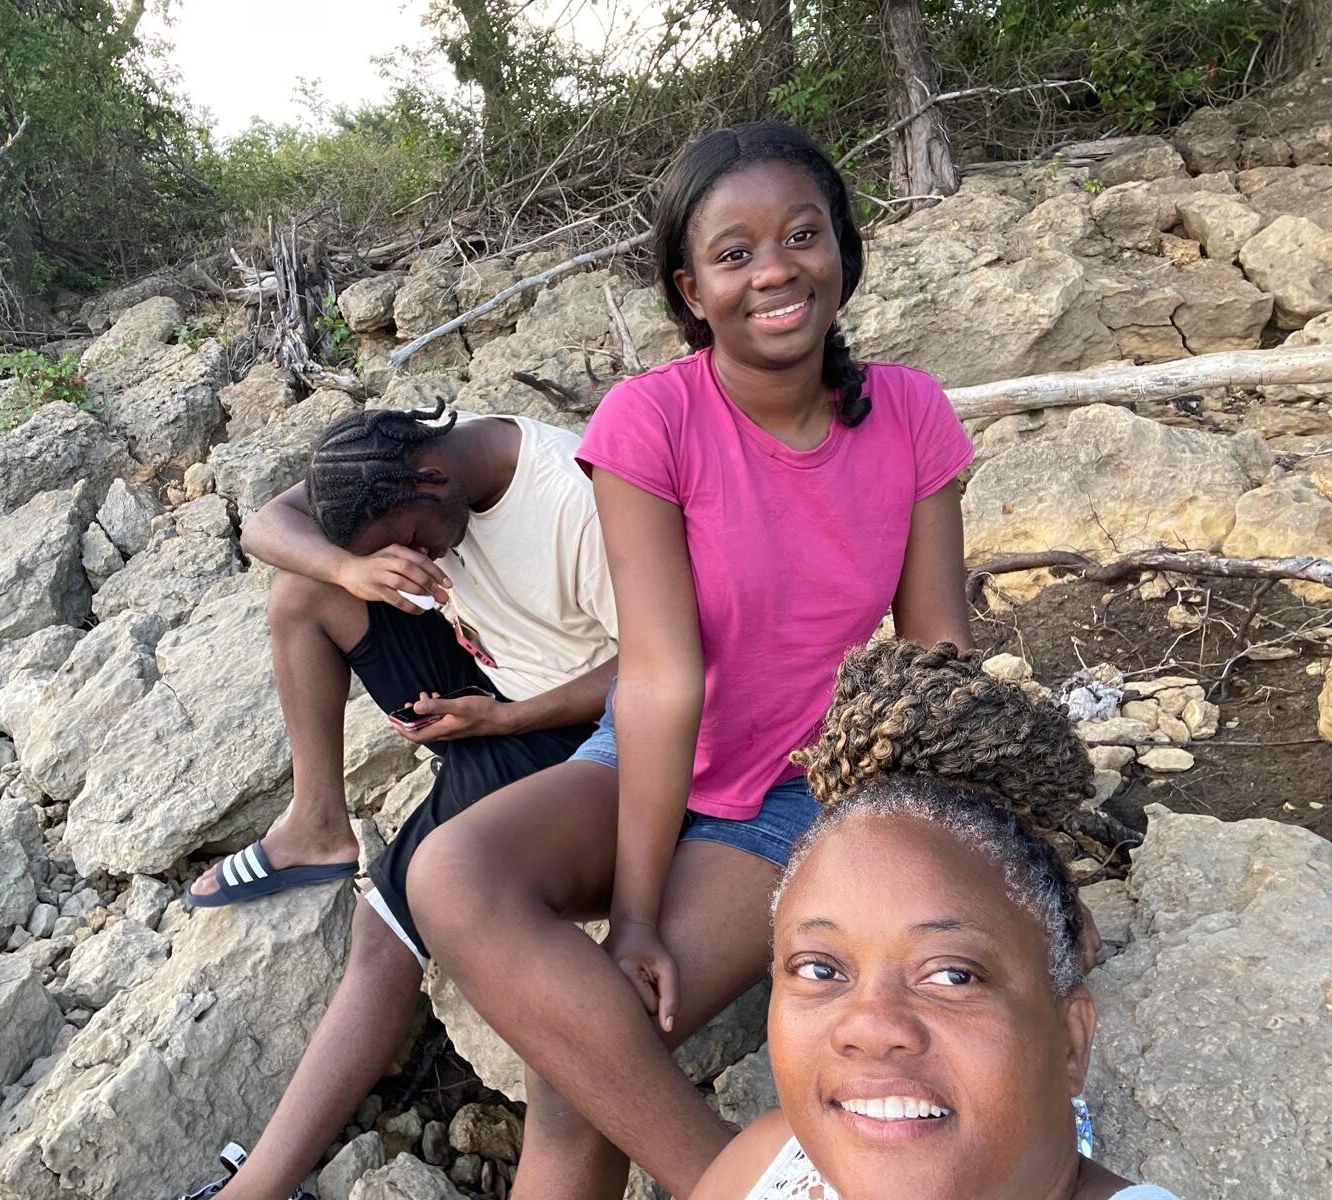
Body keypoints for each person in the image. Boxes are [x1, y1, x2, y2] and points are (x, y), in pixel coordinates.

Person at [406, 120, 976, 1198]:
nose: (775, 271)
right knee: (451, 873)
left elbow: (937, 658)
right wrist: (631, 911)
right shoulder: (651, 418)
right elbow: (663, 676)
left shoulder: (910, 411)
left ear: (841, 247)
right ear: (690, 288)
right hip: (646, 753)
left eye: (801, 235)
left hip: (799, 788)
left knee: (579, 1076)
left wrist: (974, 850)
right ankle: (745, 1184)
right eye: (734, 253)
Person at [189, 399, 618, 1199]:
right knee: (304, 590)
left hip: (566, 735)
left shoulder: (574, 500)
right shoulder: (405, 464)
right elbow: (267, 525)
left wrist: (506, 719)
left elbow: (659, 665)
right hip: (487, 672)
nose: (419, 557)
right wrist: (352, 570)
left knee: (384, 929)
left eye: (414, 540)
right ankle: (318, 825)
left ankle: (256, 1190)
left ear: (430, 478)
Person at [690, 639, 1178, 1200]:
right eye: (820, 969)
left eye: (952, 974)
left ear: (1071, 1040)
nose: (871, 1028)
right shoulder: (764, 1163)